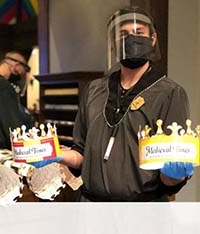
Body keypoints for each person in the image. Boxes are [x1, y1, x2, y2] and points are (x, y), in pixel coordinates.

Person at [54, 7, 193, 202]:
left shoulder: (169, 94)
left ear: (153, 39)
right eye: (123, 34)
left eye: (138, 33)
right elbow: (81, 154)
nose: (131, 39)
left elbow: (168, 179)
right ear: (114, 43)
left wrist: (175, 174)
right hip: (91, 208)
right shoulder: (94, 90)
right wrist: (56, 154)